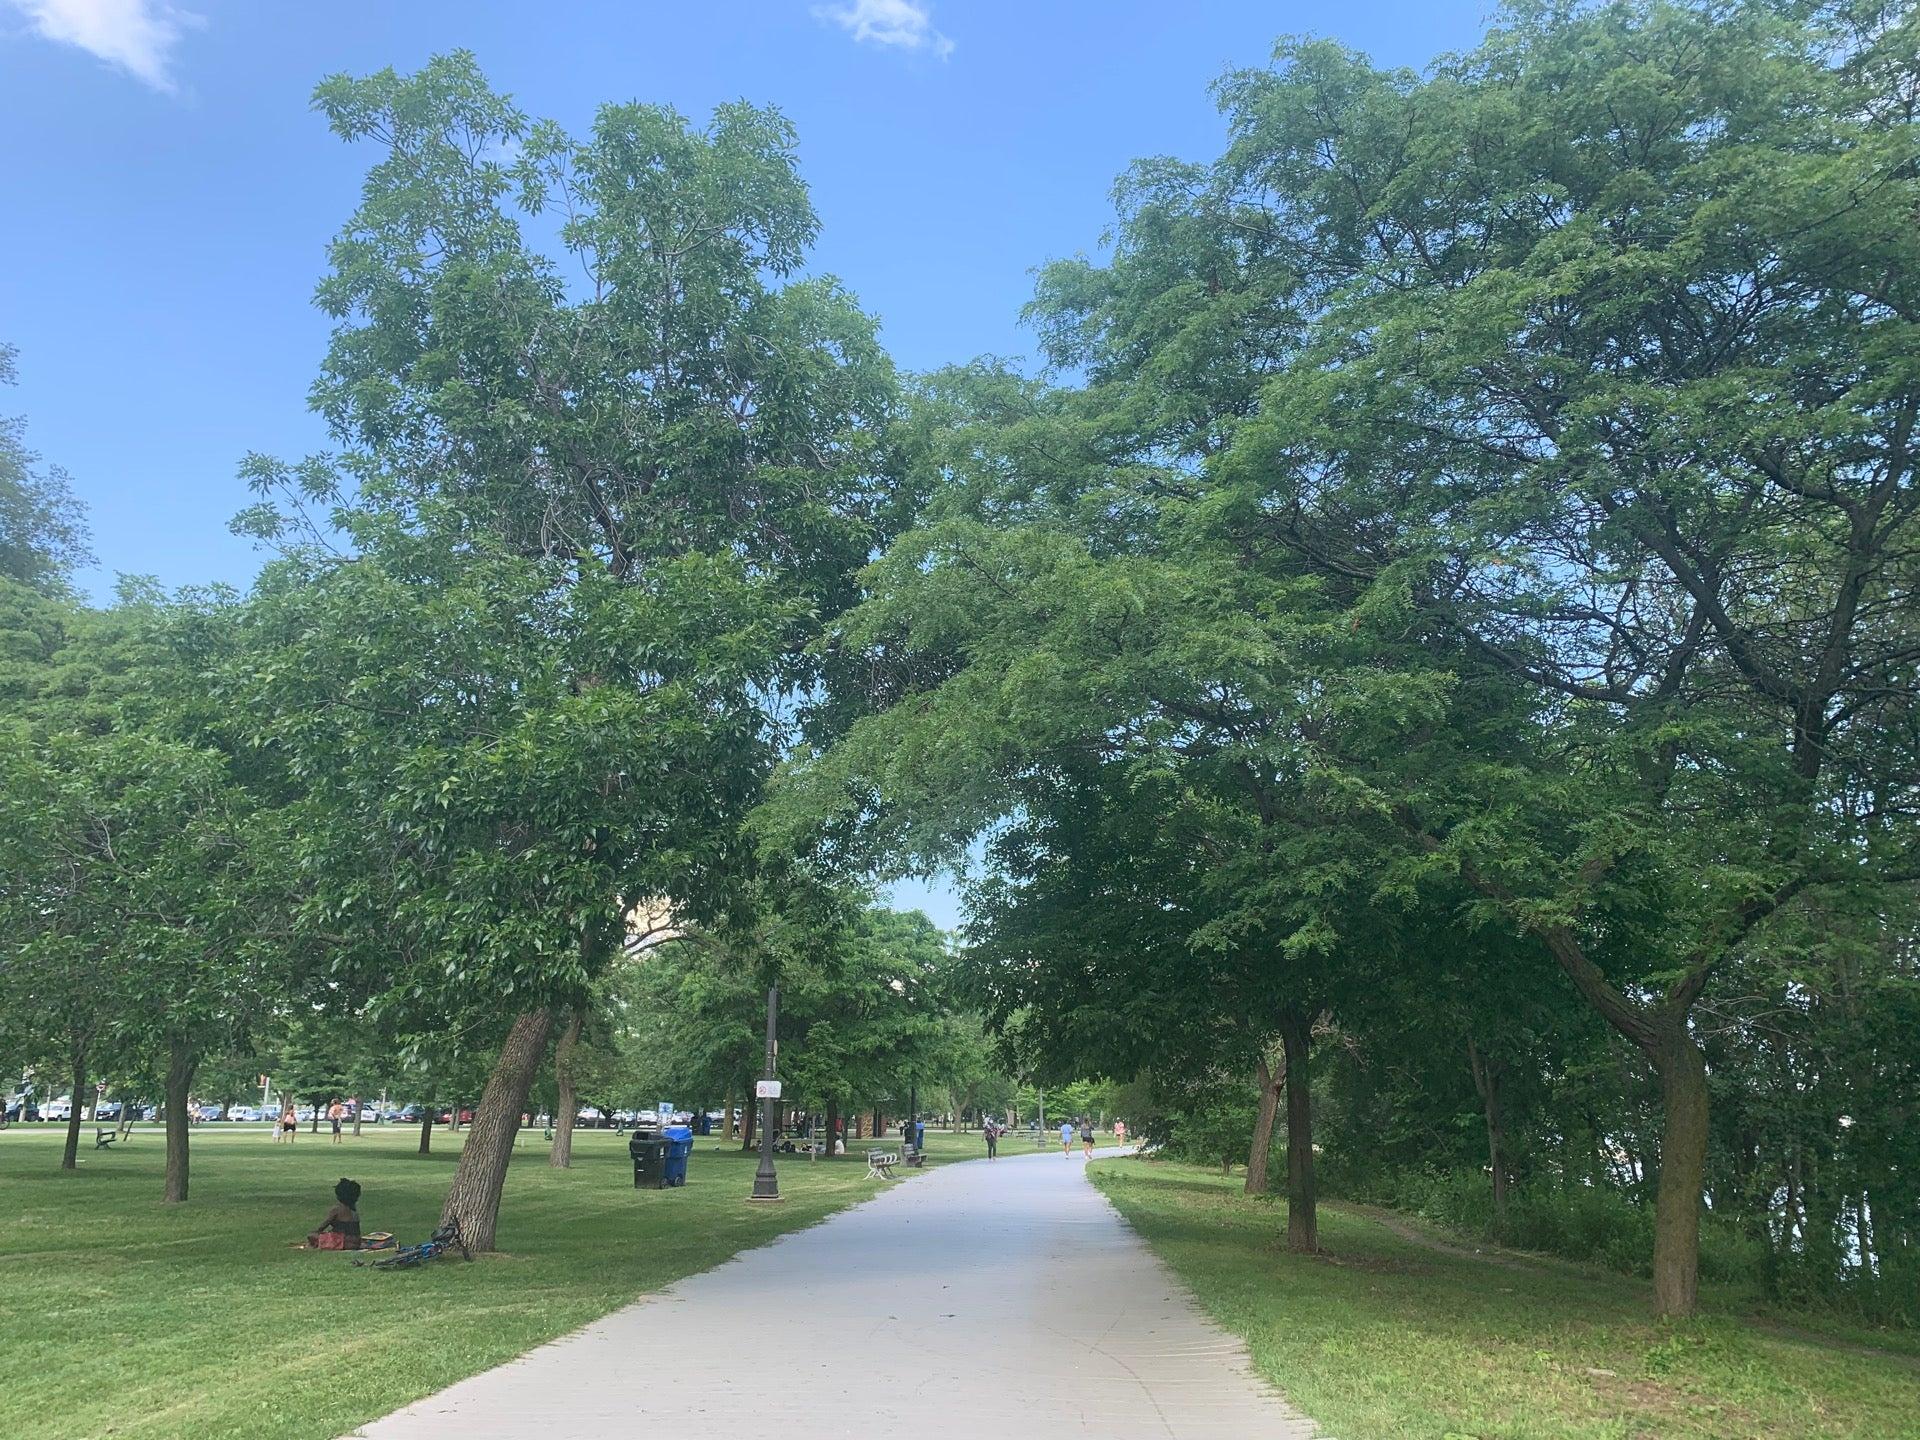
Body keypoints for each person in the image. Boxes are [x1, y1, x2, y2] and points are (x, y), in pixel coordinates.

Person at [307, 1177, 362, 1249]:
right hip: (357, 1241)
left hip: (343, 1241)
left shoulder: (337, 1209)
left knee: (312, 1235)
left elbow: (321, 1228)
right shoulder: (353, 1209)